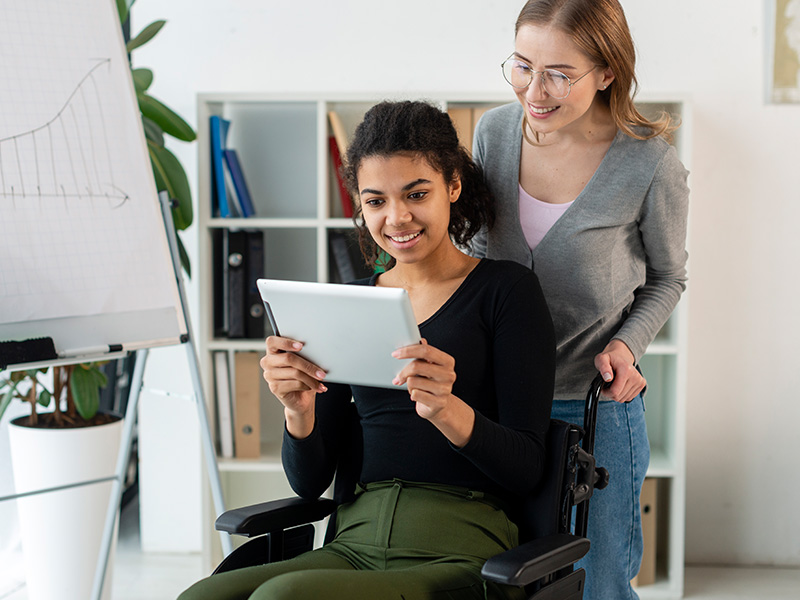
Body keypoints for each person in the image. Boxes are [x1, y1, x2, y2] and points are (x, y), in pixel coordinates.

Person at [178, 100, 556, 600]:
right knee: (199, 598)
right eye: (375, 201)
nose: (397, 218)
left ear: (453, 186)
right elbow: (310, 484)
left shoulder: (506, 291)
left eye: (416, 194)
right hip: (354, 540)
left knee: (281, 597)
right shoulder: (349, 302)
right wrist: (298, 411)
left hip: (459, 546)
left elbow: (528, 469)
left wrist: (448, 410)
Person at [470, 1, 690, 599]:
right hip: (497, 406)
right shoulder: (492, 133)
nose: (533, 92)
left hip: (593, 409)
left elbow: (668, 277)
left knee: (598, 584)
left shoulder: (649, 164)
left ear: (607, 72)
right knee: (502, 577)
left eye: (559, 74)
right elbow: (470, 250)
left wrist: (627, 343)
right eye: (522, 65)